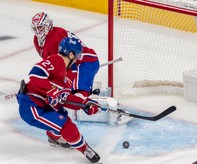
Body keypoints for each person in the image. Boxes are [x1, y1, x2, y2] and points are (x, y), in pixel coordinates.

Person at [31, 12, 132, 147]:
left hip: (85, 63)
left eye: (41, 27)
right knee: (64, 96)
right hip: (74, 64)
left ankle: (99, 109)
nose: (39, 31)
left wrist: (59, 86)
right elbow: (53, 63)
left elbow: (66, 63)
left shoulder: (56, 37)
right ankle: (56, 132)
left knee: (76, 96)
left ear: (48, 25)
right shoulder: (37, 40)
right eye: (36, 28)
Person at [17, 37, 101, 163]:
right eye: (76, 56)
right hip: (32, 107)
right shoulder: (56, 60)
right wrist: (51, 90)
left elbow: (65, 98)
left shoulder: (66, 76)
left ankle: (54, 137)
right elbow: (35, 73)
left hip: (42, 106)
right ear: (71, 54)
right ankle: (85, 149)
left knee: (61, 113)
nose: (77, 60)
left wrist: (85, 105)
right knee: (65, 124)